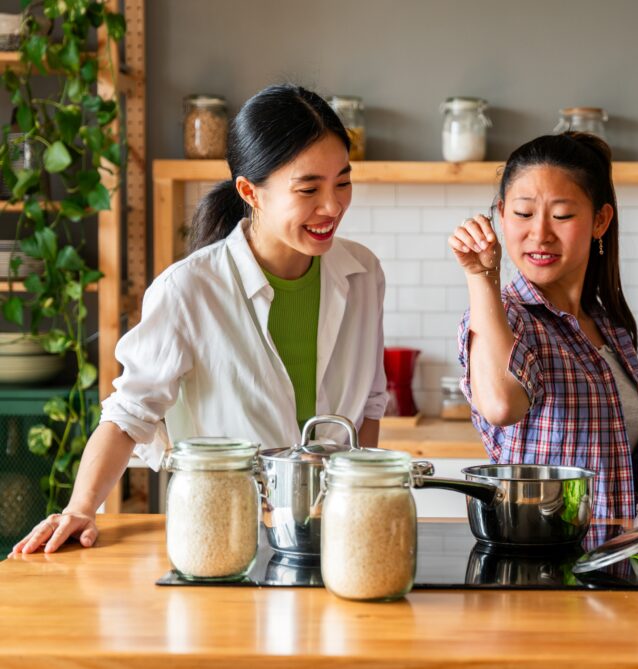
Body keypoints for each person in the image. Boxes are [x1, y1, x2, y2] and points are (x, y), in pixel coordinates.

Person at [11, 84, 387, 555]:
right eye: (309, 188)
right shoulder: (188, 289)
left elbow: (369, 405)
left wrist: (365, 497)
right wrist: (80, 509)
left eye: (343, 182)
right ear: (251, 191)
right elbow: (130, 414)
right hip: (222, 535)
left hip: (335, 537)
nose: (332, 207)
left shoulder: (362, 273)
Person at [448, 132, 638, 520]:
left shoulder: (609, 327)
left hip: (611, 567)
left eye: (561, 215)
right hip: (541, 571)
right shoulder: (506, 315)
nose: (540, 233)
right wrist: (481, 275)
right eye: (523, 214)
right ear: (500, 214)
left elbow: (601, 476)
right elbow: (500, 406)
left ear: (600, 221)